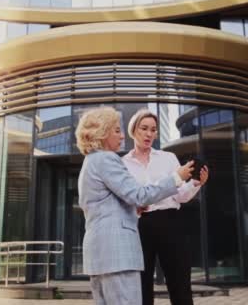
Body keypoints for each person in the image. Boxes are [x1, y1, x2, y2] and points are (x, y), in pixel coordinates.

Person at [75, 106, 195, 305]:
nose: (122, 137)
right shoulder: (107, 159)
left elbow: (104, 203)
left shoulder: (91, 161)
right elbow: (139, 195)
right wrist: (177, 177)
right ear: (101, 133)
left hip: (101, 254)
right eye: (116, 130)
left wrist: (133, 209)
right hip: (117, 255)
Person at [122, 108, 209, 305]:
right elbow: (125, 198)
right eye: (144, 128)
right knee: (141, 284)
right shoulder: (123, 164)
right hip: (139, 226)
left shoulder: (168, 158)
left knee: (179, 281)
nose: (149, 134)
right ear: (134, 130)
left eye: (153, 130)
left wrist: (197, 183)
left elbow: (181, 196)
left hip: (170, 222)